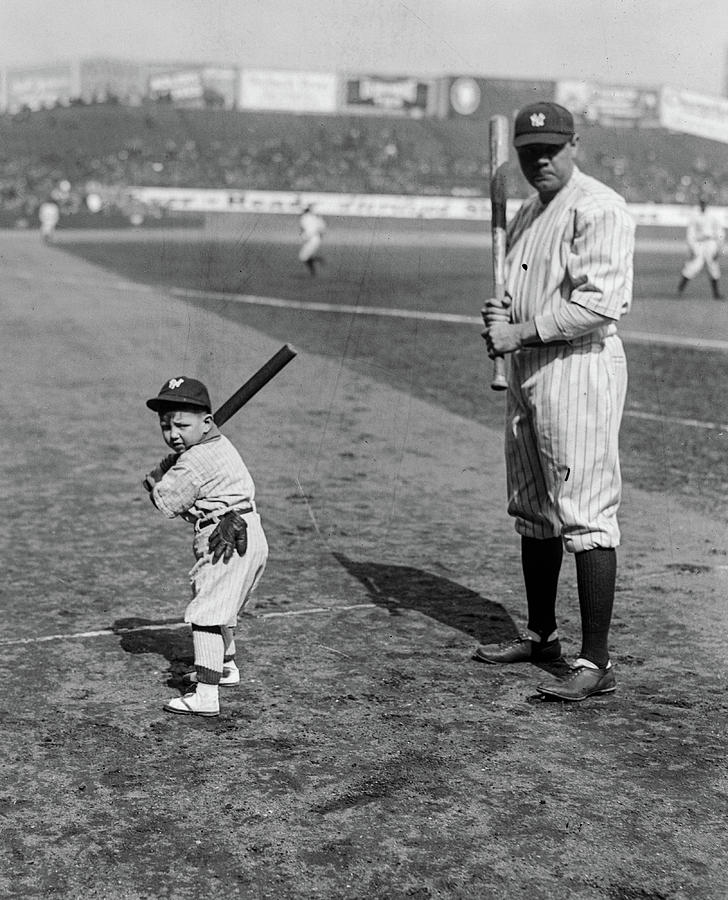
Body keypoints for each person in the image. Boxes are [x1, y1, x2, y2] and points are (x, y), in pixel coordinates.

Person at [475, 101, 635, 702]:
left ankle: (596, 662)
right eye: (528, 152)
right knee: (534, 506)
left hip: (580, 368)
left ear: (574, 146)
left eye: (551, 149)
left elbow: (600, 304)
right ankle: (542, 635)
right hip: (529, 368)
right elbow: (521, 299)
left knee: (586, 513)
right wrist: (501, 317)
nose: (540, 159)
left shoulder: (598, 207)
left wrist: (518, 331)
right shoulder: (528, 212)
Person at [143, 376, 268, 717]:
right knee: (220, 604)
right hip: (247, 532)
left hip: (225, 536)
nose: (174, 434)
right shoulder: (216, 445)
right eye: (166, 427)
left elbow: (168, 503)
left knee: (207, 613)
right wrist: (171, 470)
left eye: (182, 425)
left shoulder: (194, 460)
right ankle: (225, 667)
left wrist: (155, 482)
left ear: (207, 422)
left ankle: (206, 696)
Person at [677, 195, 724, 300]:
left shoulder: (712, 215)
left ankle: (716, 293)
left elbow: (719, 231)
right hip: (699, 243)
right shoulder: (695, 215)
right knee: (693, 266)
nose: (703, 205)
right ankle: (680, 290)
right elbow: (690, 233)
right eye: (702, 203)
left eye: (705, 203)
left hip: (711, 242)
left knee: (713, 267)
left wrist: (719, 247)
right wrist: (692, 247)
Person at [298, 203, 326, 275]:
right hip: (315, 239)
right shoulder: (317, 218)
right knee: (304, 257)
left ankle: (315, 268)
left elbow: (303, 230)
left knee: (303, 257)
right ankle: (315, 268)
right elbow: (322, 229)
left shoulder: (304, 218)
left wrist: (304, 236)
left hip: (311, 239)